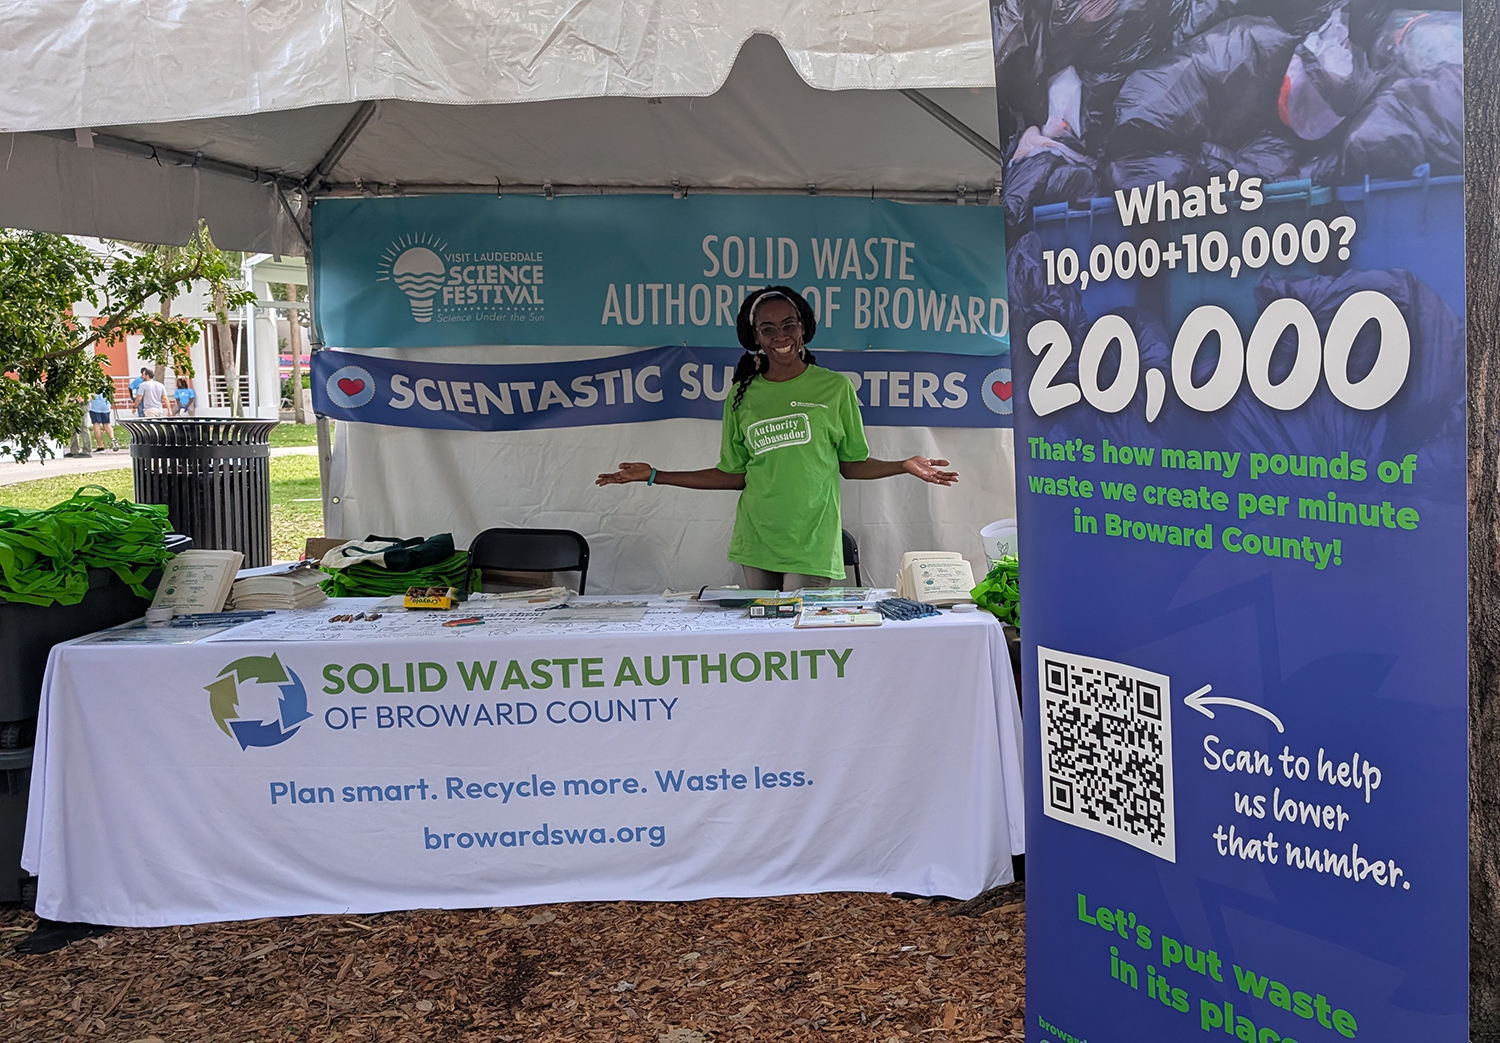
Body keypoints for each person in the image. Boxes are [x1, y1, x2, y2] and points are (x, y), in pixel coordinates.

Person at [596, 285, 958, 591]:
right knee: (763, 638)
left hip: (811, 540)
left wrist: (903, 465)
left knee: (800, 640)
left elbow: (851, 465)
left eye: (788, 325)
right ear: (756, 337)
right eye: (768, 329)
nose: (780, 336)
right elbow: (733, 475)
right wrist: (655, 475)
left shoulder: (834, 388)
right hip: (757, 538)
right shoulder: (742, 396)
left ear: (803, 329)